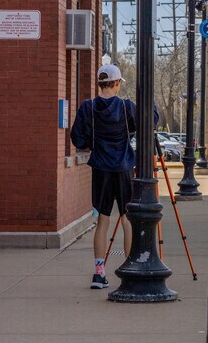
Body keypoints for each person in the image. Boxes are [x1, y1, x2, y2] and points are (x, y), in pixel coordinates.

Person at [71, 64, 135, 289]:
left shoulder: (88, 108)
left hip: (101, 169)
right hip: (124, 168)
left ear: (100, 83)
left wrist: (93, 145)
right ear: (117, 83)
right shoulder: (127, 107)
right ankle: (130, 270)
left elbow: (77, 138)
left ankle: (99, 273)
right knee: (127, 219)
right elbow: (149, 120)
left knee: (103, 220)